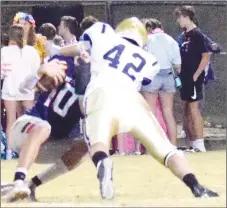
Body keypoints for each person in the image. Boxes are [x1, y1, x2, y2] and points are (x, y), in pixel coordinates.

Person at [61, 17, 218, 199]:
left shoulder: (102, 36)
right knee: (165, 149)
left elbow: (81, 47)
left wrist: (57, 50)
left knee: (98, 143)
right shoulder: (149, 60)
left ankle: (103, 162)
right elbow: (145, 80)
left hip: (100, 93)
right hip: (131, 99)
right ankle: (196, 186)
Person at [2, 55, 90, 202]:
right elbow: (24, 87)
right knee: (44, 127)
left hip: (50, 143)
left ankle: (32, 184)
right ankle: (19, 180)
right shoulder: (64, 62)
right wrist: (40, 72)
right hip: (26, 128)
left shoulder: (96, 86)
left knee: (85, 145)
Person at [1, 24, 40, 160]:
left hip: (10, 89)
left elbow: (1, 73)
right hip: (26, 90)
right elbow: (37, 71)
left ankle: (10, 153)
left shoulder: (4, 51)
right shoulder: (32, 51)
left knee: (11, 121)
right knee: (29, 120)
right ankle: (30, 149)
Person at [174, 6, 210, 152]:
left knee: (194, 109)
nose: (178, 20)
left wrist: (196, 74)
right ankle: (193, 143)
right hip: (184, 78)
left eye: (180, 17)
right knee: (187, 110)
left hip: (194, 78)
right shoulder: (184, 35)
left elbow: (206, 55)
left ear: (187, 17)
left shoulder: (197, 34)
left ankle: (200, 145)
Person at [141, 18, 181, 145]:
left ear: (149, 28)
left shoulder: (148, 40)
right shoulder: (171, 40)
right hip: (168, 75)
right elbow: (178, 65)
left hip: (152, 76)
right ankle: (173, 145)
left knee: (151, 113)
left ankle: (152, 146)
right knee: (168, 112)